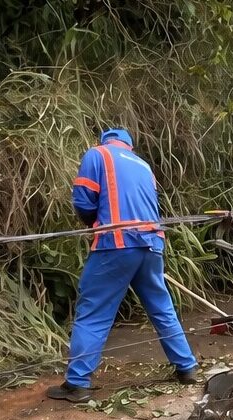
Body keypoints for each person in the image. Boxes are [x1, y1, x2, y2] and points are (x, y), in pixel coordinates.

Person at [48, 128, 198, 402]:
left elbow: (83, 201)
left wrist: (92, 223)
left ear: (106, 141)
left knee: (93, 310)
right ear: (128, 146)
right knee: (161, 308)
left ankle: (77, 382)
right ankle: (186, 368)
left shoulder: (98, 154)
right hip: (152, 245)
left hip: (117, 243)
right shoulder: (144, 166)